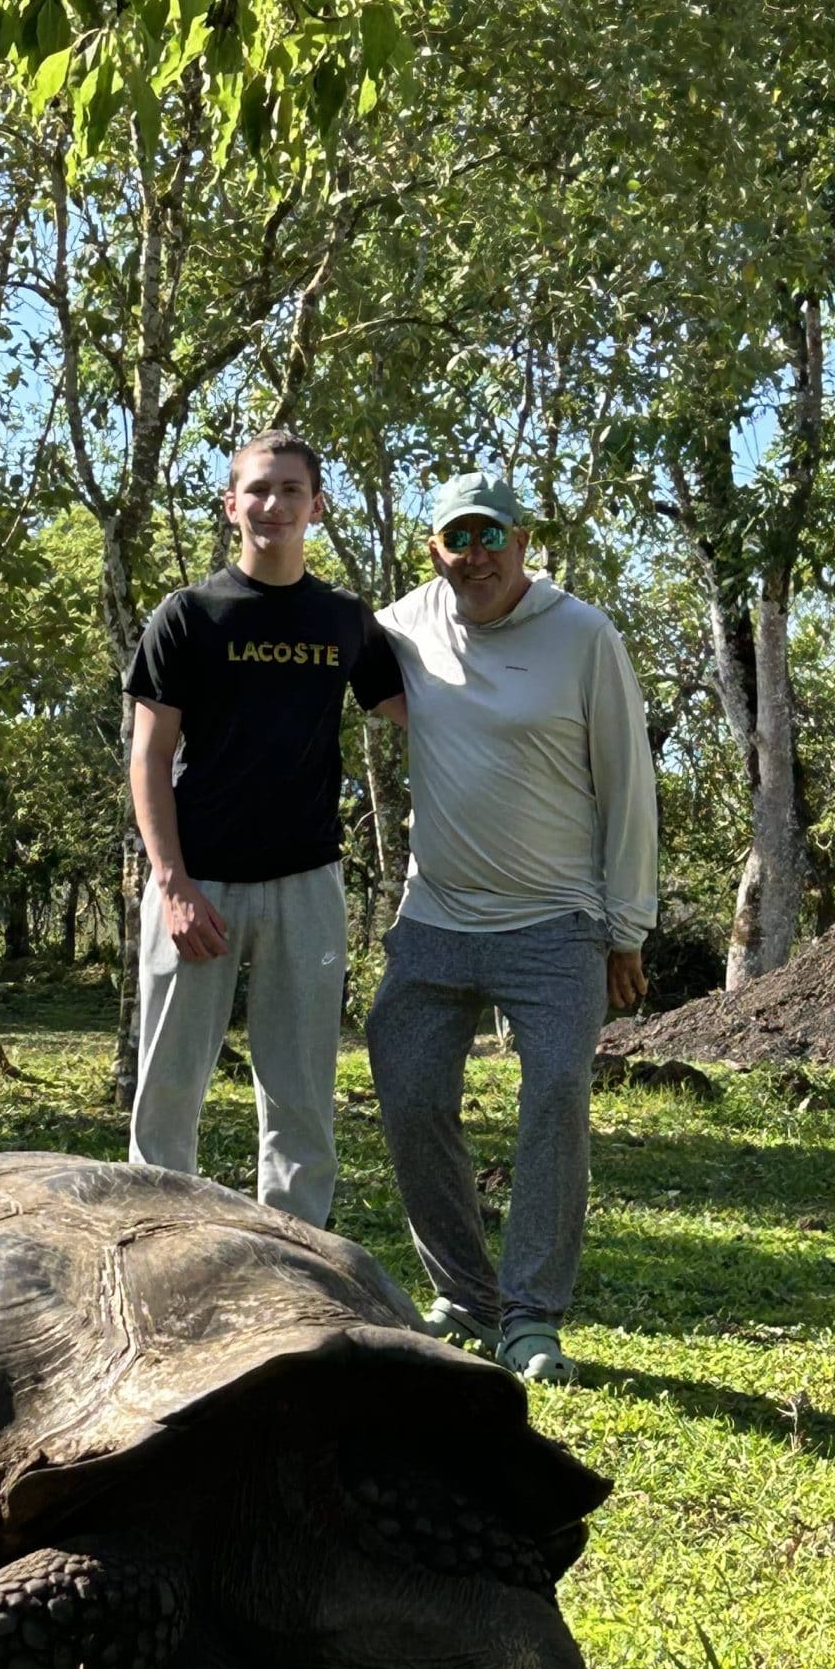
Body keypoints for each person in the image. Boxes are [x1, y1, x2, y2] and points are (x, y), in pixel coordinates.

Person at [366, 472, 658, 1384]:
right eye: (460, 537)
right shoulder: (401, 627)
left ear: (526, 540)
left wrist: (626, 926)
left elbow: (626, 781)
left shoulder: (583, 636)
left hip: (556, 923)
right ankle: (464, 1294)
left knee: (557, 1096)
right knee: (409, 1089)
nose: (477, 555)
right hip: (436, 918)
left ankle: (531, 1318)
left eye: (494, 535)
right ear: (435, 550)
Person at [126, 429, 407, 1224]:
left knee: (301, 1098)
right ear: (230, 504)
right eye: (257, 489)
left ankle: (295, 1262)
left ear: (317, 506)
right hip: (197, 884)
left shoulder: (347, 620)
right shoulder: (189, 616)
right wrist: (172, 885)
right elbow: (150, 759)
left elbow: (419, 714)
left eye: (290, 490)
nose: (273, 504)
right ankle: (157, 1251)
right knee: (169, 1092)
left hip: (305, 885)